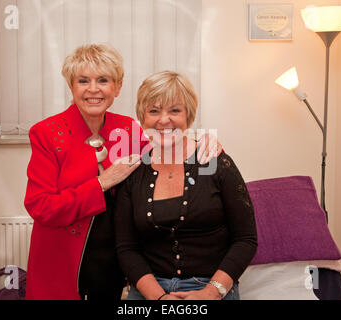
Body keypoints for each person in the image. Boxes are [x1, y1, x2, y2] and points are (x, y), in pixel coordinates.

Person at [24, 44, 221, 300]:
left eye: (103, 80)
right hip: (63, 260)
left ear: (117, 87)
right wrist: (101, 183)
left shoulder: (127, 128)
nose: (93, 89)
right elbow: (40, 206)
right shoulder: (47, 133)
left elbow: (166, 155)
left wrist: (206, 144)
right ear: (71, 87)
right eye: (83, 80)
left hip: (114, 259)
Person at [114, 71, 258, 300]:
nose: (163, 120)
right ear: (142, 117)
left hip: (211, 287)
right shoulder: (132, 173)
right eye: (154, 111)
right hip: (150, 291)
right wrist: (159, 298)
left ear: (188, 115)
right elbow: (126, 247)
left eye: (174, 110)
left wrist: (211, 293)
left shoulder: (217, 163)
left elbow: (246, 239)